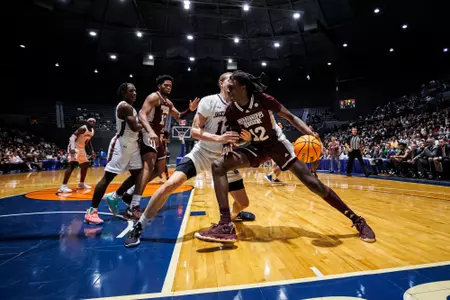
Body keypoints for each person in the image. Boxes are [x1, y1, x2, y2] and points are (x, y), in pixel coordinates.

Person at [194, 70, 375, 243]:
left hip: (277, 145)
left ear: (243, 87)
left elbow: (291, 117)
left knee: (313, 184)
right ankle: (225, 225)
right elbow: (235, 136)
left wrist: (311, 134)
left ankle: (357, 220)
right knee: (218, 165)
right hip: (256, 147)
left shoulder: (263, 99)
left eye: (232, 86)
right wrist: (232, 143)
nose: (228, 90)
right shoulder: (231, 111)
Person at [124, 72, 256, 248]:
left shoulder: (240, 105)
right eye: (229, 80)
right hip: (202, 154)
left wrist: (245, 139)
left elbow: (238, 136)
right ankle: (139, 226)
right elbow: (194, 132)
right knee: (169, 185)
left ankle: (233, 215)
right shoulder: (209, 101)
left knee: (244, 203)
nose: (233, 83)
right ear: (221, 83)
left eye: (235, 81)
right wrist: (219, 139)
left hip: (224, 160)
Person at [105, 75, 199, 220]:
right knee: (148, 167)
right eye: (166, 85)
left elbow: (179, 116)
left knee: (160, 169)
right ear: (159, 86)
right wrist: (149, 131)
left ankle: (128, 194)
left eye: (170, 86)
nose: (168, 87)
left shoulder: (168, 102)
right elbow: (142, 114)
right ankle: (133, 206)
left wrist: (190, 109)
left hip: (158, 137)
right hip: (148, 134)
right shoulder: (153, 97)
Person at [84, 83, 143, 225]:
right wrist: (149, 124)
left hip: (133, 145)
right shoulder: (124, 106)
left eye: (135, 90)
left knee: (139, 176)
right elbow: (135, 127)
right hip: (121, 145)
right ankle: (92, 211)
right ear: (123, 92)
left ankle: (115, 196)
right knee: (108, 177)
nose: (134, 93)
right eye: (131, 91)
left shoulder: (132, 108)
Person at [58, 118, 96, 193]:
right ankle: (63, 186)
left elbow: (88, 141)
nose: (92, 122)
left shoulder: (92, 131)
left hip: (81, 148)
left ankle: (81, 184)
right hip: (74, 147)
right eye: (90, 121)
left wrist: (92, 151)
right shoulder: (82, 128)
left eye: (94, 122)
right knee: (72, 164)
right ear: (87, 122)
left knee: (85, 164)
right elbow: (72, 137)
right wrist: (72, 148)